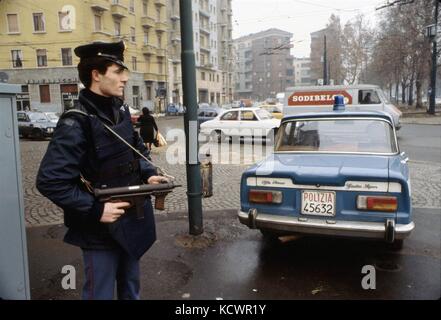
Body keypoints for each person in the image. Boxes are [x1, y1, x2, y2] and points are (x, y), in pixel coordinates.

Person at [36, 40, 167, 300]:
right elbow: (50, 181)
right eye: (118, 72)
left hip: (132, 219)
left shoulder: (119, 110)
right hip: (98, 229)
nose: (125, 78)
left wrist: (148, 172)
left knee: (131, 289)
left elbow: (137, 151)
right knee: (101, 294)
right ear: (96, 75)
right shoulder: (76, 122)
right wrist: (96, 209)